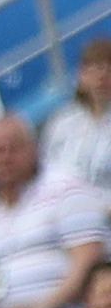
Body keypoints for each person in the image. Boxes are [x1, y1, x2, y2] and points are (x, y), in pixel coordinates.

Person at [0, 115, 107, 308]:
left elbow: (86, 264)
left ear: (34, 149)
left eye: (13, 148)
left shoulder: (67, 190)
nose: (5, 157)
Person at [41, 37, 111, 197]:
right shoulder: (60, 122)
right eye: (95, 69)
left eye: (109, 69)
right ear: (82, 76)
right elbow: (44, 170)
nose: (102, 76)